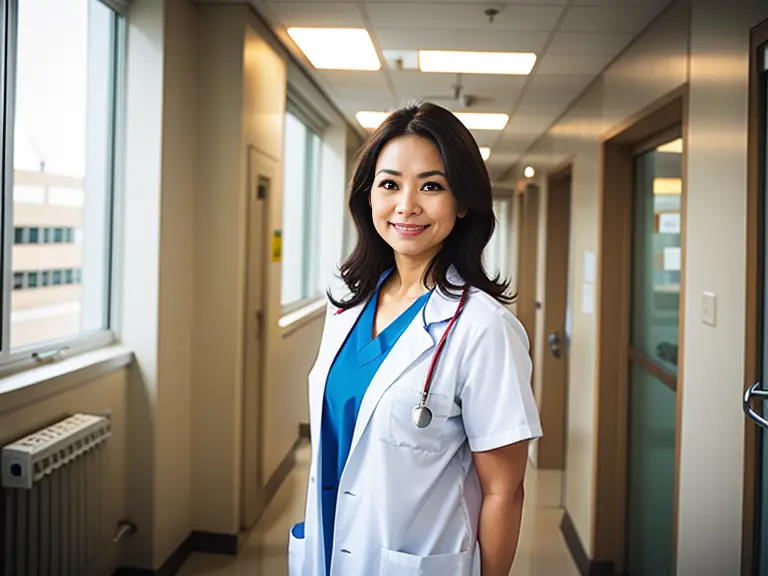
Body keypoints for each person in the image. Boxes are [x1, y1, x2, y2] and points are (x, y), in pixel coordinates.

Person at [288, 102, 542, 576]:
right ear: (368, 197)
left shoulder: (484, 328)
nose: (407, 205)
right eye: (389, 184)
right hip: (327, 549)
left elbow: (504, 491)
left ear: (462, 203)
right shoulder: (346, 300)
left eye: (431, 185)